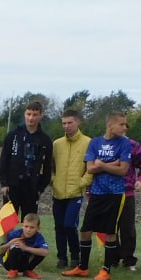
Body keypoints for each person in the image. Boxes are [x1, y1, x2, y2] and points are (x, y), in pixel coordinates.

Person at [63, 113, 130, 280]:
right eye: (122, 124)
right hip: (96, 193)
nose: (125, 128)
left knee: (110, 232)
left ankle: (106, 269)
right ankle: (83, 267)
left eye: (125, 125)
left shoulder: (125, 143)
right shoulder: (95, 142)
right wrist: (111, 164)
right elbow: (90, 168)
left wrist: (102, 164)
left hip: (115, 194)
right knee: (85, 230)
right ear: (110, 125)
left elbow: (123, 170)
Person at [0, 100, 55, 219]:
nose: (31, 118)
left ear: (40, 116)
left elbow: (47, 167)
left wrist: (40, 188)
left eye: (35, 115)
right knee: (7, 222)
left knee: (29, 223)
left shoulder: (45, 140)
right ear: (25, 114)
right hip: (12, 186)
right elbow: (4, 161)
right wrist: (4, 183)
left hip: (31, 189)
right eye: (28, 114)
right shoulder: (13, 135)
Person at [50, 109, 90, 269]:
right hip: (58, 192)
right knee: (59, 226)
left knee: (69, 225)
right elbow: (49, 166)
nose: (66, 126)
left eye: (70, 123)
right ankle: (62, 257)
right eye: (64, 123)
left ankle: (75, 255)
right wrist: (53, 180)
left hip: (75, 192)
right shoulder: (57, 144)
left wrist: (83, 182)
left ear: (78, 122)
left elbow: (90, 168)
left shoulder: (88, 143)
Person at [115, 128, 141, 271]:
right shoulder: (103, 145)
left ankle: (129, 260)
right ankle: (112, 258)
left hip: (126, 193)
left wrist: (140, 179)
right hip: (107, 192)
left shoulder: (132, 145)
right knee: (109, 228)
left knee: (127, 228)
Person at [0, 212, 50, 278]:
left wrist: (25, 248)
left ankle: (28, 270)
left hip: (24, 262)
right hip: (8, 263)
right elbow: (1, 250)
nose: (28, 230)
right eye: (26, 226)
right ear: (22, 225)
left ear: (38, 228)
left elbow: (45, 252)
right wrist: (10, 243)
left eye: (32, 227)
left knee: (40, 251)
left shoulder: (39, 237)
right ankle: (13, 270)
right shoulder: (14, 234)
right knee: (16, 246)